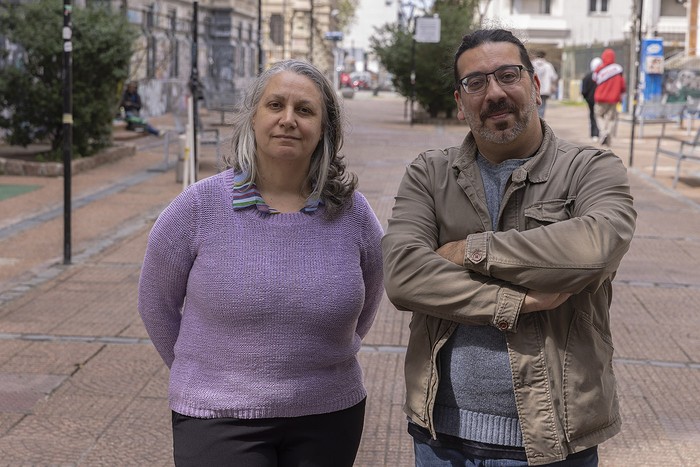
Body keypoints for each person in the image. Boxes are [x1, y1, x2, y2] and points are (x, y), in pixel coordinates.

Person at [382, 29, 637, 466]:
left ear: (535, 86)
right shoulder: (430, 174)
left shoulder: (591, 170)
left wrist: (469, 251)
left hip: (552, 441)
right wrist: (514, 301)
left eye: (508, 75)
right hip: (440, 438)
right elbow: (404, 276)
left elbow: (595, 248)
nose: (494, 92)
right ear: (461, 103)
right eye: (475, 83)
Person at [138, 59, 384, 466]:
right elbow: (155, 304)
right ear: (253, 118)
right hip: (218, 418)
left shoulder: (353, 214)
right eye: (275, 106)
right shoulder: (198, 207)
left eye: (304, 110)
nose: (288, 119)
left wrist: (328, 354)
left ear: (325, 129)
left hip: (329, 414)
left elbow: (371, 295)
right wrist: (203, 374)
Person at [594, 49, 626, 146]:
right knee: (611, 118)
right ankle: (607, 133)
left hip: (601, 98)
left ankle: (603, 132)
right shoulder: (618, 69)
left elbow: (595, 80)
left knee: (598, 115)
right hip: (614, 98)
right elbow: (623, 85)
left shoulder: (599, 69)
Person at [531, 50, 558, 118]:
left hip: (533, 89)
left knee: (533, 106)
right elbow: (554, 77)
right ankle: (540, 120)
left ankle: (534, 120)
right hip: (545, 90)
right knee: (542, 106)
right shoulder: (548, 66)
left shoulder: (531, 64)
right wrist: (553, 85)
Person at [581, 57, 602, 142]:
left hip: (590, 100)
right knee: (600, 116)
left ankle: (594, 134)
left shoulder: (587, 77)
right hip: (600, 100)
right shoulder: (602, 76)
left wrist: (586, 97)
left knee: (593, 116)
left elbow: (584, 90)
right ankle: (599, 133)